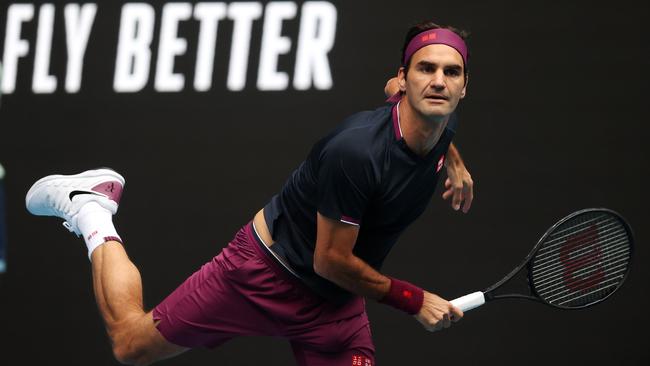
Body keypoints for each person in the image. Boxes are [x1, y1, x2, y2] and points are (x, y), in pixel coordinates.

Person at [25, 20, 474, 366]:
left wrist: (452, 160)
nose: (438, 82)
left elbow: (414, 104)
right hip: (263, 272)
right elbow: (330, 260)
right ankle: (92, 212)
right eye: (426, 70)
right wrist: (414, 300)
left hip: (333, 307)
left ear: (463, 86)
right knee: (130, 344)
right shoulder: (354, 153)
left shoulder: (438, 116)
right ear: (405, 76)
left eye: (450, 73)